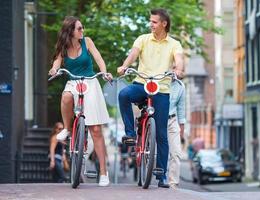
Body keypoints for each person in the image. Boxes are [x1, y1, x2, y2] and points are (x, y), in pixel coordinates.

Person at [117, 8, 184, 188]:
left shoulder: (174, 44)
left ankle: (161, 175)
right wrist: (124, 66)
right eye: (151, 21)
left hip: (161, 90)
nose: (151, 24)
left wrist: (178, 69)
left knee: (161, 134)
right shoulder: (143, 39)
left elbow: (179, 60)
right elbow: (133, 54)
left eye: (154, 22)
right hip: (141, 84)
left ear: (164, 24)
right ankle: (130, 133)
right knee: (123, 94)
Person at [48, 16, 112, 187]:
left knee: (96, 130)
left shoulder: (87, 41)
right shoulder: (63, 46)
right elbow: (57, 61)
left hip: (90, 81)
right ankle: (68, 129)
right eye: (79, 28)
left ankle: (104, 173)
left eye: (82, 28)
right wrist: (54, 69)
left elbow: (98, 58)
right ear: (70, 31)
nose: (82, 31)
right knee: (66, 96)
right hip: (73, 81)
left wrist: (104, 72)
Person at [167, 77, 186, 189]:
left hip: (172, 120)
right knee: (156, 152)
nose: (175, 71)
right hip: (156, 118)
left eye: (177, 68)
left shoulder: (180, 86)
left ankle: (173, 184)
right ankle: (160, 178)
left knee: (176, 153)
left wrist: (181, 133)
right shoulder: (157, 79)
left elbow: (181, 111)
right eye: (173, 67)